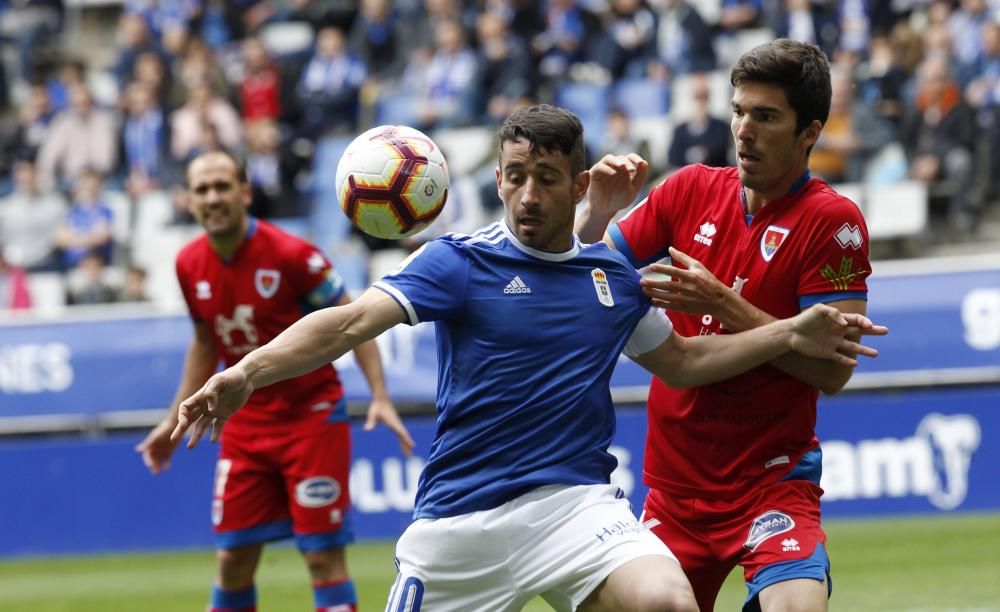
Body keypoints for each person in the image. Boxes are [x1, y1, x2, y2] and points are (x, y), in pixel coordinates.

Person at [172, 105, 886, 612]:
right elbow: (349, 321)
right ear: (498, 180)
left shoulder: (609, 277)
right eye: (514, 176)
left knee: (666, 601)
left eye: (547, 178)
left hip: (573, 509)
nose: (527, 194)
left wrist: (789, 333)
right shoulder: (456, 262)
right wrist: (244, 372)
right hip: (461, 523)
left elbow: (687, 363)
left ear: (579, 188)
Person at [575, 39, 873, 612]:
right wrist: (597, 213)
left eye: (766, 117)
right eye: (739, 112)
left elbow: (832, 373)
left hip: (773, 484)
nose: (744, 130)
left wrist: (724, 303)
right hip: (675, 488)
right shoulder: (688, 188)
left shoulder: (833, 223)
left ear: (810, 131)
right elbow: (581, 272)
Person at [135, 149, 414, 612]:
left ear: (245, 192)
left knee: (323, 557)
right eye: (202, 189)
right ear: (189, 201)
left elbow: (353, 321)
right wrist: (171, 419)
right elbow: (206, 343)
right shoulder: (188, 264)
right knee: (232, 560)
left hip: (311, 422)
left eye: (222, 186)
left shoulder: (293, 255)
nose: (213, 197)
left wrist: (380, 394)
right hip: (242, 428)